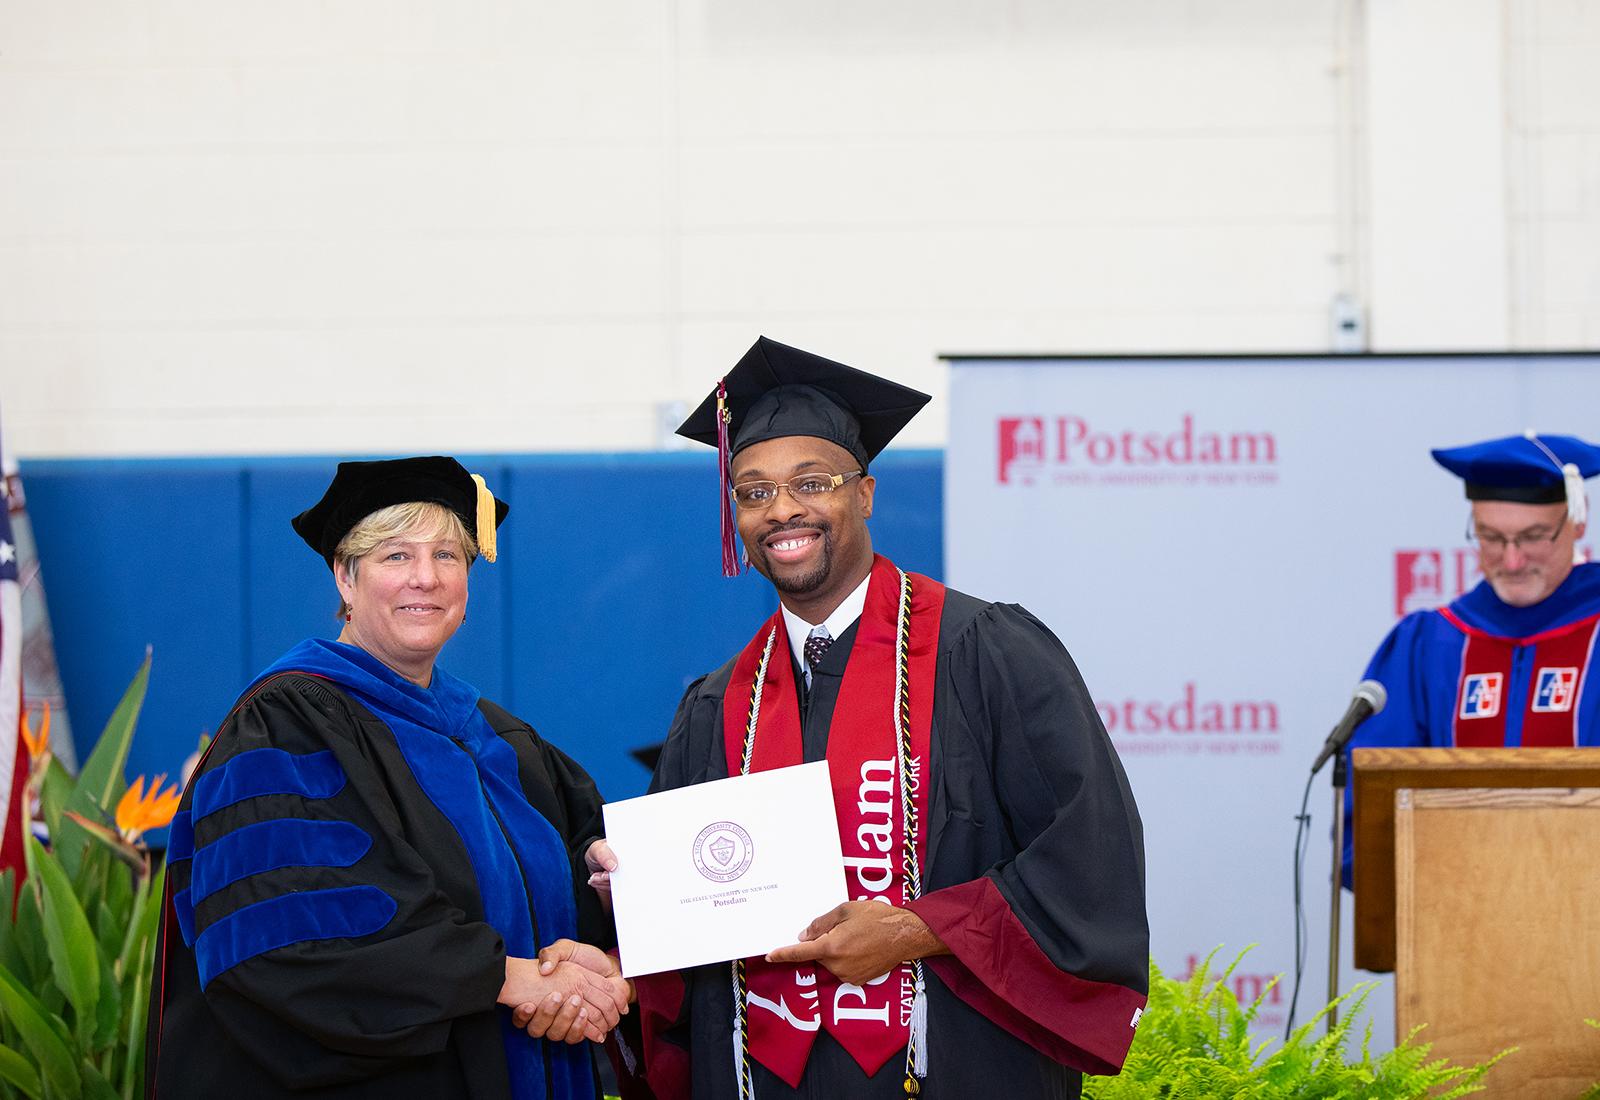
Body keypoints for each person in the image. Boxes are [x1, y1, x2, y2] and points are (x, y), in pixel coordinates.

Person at [573, 338, 1149, 1099]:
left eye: (811, 482)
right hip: (762, 1078)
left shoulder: (985, 655)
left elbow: (1088, 858)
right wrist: (640, 894)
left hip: (952, 1070)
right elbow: (696, 927)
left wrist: (916, 929)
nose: (782, 509)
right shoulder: (717, 705)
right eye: (753, 491)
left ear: (865, 494)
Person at [146, 456, 629, 1099]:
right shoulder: (288, 725)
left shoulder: (501, 740)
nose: (425, 578)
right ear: (345, 578)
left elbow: (544, 888)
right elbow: (289, 936)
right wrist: (508, 978)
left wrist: (600, 901)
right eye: (395, 556)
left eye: (448, 556)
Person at [1341, 432, 1600, 884]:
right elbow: (1373, 809)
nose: (1512, 560)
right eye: (1492, 538)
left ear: (1578, 523)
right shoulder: (1430, 644)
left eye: (1533, 537)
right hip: (1457, 918)